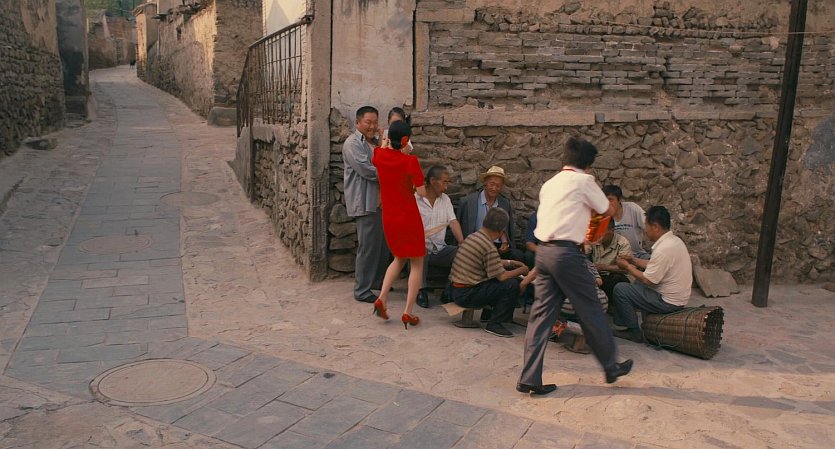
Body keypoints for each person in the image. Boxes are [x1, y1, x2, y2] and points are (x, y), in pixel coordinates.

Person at [518, 137, 633, 396]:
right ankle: (611, 366)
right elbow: (606, 210)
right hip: (567, 254)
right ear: (588, 164)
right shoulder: (584, 181)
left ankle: (529, 377)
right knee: (591, 308)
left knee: (540, 317)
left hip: (543, 252)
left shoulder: (549, 184)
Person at [370, 120, 425, 329]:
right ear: (405, 140)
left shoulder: (379, 155)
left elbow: (381, 150)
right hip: (408, 216)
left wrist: (387, 144)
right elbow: (421, 192)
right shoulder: (410, 162)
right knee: (417, 263)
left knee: (399, 258)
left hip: (389, 217)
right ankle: (407, 312)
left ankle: (382, 297)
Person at [613, 206, 693, 343]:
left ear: (655, 227)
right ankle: (632, 319)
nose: (645, 230)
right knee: (636, 283)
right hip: (679, 298)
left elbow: (648, 280)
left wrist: (627, 266)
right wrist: (633, 260)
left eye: (646, 225)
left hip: (668, 302)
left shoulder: (664, 249)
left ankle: (633, 331)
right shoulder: (674, 241)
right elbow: (653, 265)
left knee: (621, 289)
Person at [446, 208, 529, 338]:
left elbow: (489, 262)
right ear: (501, 231)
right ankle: (495, 323)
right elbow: (502, 277)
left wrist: (510, 263)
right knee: (512, 284)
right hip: (466, 295)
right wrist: (521, 270)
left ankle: (488, 315)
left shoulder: (474, 236)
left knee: (497, 280)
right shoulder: (488, 246)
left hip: (454, 290)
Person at [342, 106, 391, 303]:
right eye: (368, 122)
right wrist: (392, 171)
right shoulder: (353, 144)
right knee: (368, 247)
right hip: (365, 202)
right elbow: (367, 170)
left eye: (375, 122)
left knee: (381, 246)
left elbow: (385, 158)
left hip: (379, 203)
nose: (372, 126)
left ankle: (377, 281)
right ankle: (362, 290)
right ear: (357, 123)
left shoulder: (374, 142)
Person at [415, 165, 464, 308]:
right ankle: (421, 291)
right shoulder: (415, 200)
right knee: (421, 251)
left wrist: (462, 242)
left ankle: (449, 289)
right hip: (418, 249)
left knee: (462, 253)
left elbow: (453, 222)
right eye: (444, 182)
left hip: (439, 249)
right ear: (432, 181)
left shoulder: (445, 200)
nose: (446, 187)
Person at [457, 166, 524, 262]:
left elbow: (504, 228)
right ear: (485, 182)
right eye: (491, 184)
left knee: (518, 256)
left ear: (502, 186)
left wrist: (504, 243)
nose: (494, 188)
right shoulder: (468, 202)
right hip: (476, 245)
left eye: (498, 185)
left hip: (496, 246)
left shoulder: (504, 204)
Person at [587, 218, 632, 309]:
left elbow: (625, 268)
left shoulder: (622, 243)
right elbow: (583, 255)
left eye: (602, 231)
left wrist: (603, 267)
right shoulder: (594, 239)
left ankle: (614, 306)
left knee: (616, 278)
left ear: (612, 230)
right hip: (598, 277)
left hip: (614, 279)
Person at [603, 185, 650, 260]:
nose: (607, 203)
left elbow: (648, 225)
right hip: (613, 257)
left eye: (610, 200)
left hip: (636, 254)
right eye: (604, 200)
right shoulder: (602, 215)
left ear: (619, 200)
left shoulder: (632, 209)